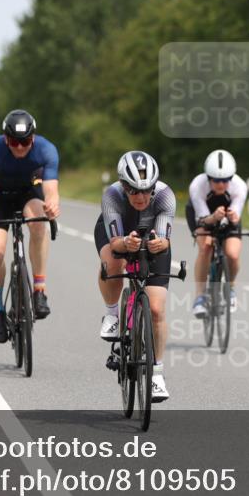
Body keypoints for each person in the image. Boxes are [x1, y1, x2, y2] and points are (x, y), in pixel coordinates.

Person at [95, 151, 175, 402]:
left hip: (152, 239)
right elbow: (116, 241)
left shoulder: (165, 196)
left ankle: (157, 373)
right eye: (133, 191)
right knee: (112, 260)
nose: (140, 197)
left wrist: (157, 244)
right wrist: (124, 243)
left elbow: (163, 239)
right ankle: (111, 314)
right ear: (123, 185)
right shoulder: (112, 195)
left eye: (146, 190)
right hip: (118, 235)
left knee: (156, 308)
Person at [0, 110, 60, 344]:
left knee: (38, 222)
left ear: (33, 138)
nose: (20, 148)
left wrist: (52, 205)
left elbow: (51, 190)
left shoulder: (46, 149)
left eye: (25, 142)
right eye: (14, 142)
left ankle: (39, 289)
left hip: (28, 193)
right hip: (0, 197)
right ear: (5, 139)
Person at [186, 150, 248, 317]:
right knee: (205, 247)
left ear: (232, 177)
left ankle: (230, 288)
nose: (221, 184)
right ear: (208, 177)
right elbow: (202, 220)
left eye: (226, 180)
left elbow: (235, 215)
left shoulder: (240, 186)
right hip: (202, 215)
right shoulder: (197, 185)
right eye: (216, 180)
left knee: (233, 254)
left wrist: (233, 217)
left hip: (227, 217)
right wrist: (213, 217)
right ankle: (199, 296)